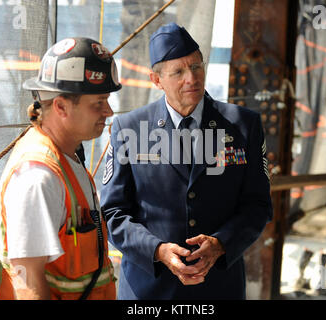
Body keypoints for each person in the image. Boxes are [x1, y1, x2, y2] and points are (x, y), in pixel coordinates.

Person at [100, 23, 273, 300]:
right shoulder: (129, 127)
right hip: (149, 290)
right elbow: (112, 214)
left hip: (218, 288)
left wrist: (220, 244)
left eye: (196, 67)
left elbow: (258, 205)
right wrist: (157, 251)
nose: (191, 78)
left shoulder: (243, 125)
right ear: (156, 80)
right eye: (178, 71)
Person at [0, 37, 121, 300]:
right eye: (98, 102)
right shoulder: (38, 178)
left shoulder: (67, 157)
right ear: (61, 106)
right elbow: (27, 282)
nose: (108, 111)